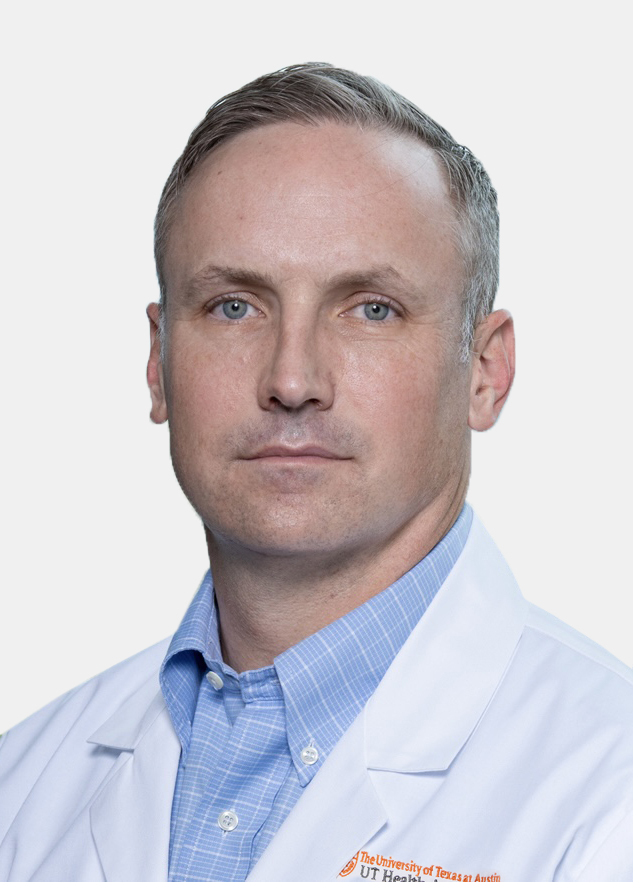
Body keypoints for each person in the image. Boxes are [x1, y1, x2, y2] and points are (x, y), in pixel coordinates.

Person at [1, 63, 632, 882]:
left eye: (371, 308)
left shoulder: (606, 785)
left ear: (483, 370)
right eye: (234, 305)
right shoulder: (22, 786)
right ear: (158, 362)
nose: (292, 379)